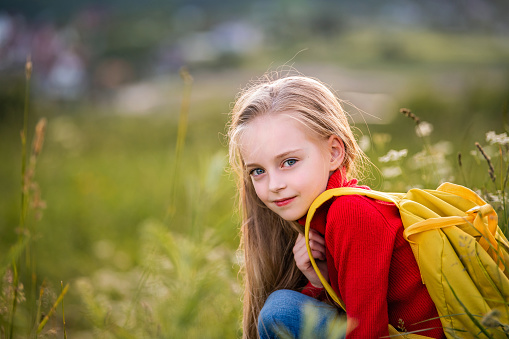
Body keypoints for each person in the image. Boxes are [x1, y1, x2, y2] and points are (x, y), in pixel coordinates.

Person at [227, 75, 446, 339]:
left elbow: (367, 331)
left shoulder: (351, 212)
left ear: (333, 153)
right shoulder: (322, 217)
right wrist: (321, 281)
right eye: (258, 170)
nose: (274, 184)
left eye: (289, 161)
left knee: (281, 311)